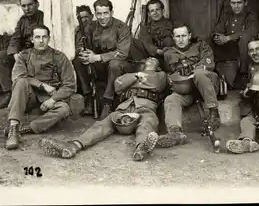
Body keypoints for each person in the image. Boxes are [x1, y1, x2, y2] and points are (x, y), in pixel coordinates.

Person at [39, 57, 167, 162]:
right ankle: (74, 146)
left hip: (145, 108)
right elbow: (118, 85)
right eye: (148, 59)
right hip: (123, 108)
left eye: (154, 59)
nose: (150, 59)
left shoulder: (161, 75)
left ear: (158, 66)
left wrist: (137, 79)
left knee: (147, 123)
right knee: (102, 125)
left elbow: (156, 84)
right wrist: (137, 75)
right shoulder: (132, 75)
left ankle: (141, 148)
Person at [4, 25, 83, 150]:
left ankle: (27, 128)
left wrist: (53, 100)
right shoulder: (24, 56)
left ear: (49, 38)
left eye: (44, 37)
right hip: (28, 96)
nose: (41, 41)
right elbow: (18, 76)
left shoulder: (59, 57)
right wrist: (42, 85)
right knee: (20, 82)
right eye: (37, 37)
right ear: (32, 39)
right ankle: (13, 129)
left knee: (64, 109)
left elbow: (70, 85)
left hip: (50, 97)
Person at [156, 23, 221, 148]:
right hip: (187, 89)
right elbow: (168, 72)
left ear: (189, 36)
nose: (181, 39)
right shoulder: (169, 53)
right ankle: (175, 133)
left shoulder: (201, 46)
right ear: (173, 38)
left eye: (184, 36)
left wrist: (192, 70)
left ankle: (214, 112)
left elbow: (209, 64)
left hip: (207, 86)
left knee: (199, 74)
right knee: (171, 99)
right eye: (178, 36)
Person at [72, 0, 135, 119]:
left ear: (112, 12)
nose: (102, 17)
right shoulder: (91, 27)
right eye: (99, 14)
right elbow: (80, 45)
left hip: (122, 66)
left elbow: (122, 53)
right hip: (100, 66)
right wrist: (84, 53)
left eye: (105, 13)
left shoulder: (122, 27)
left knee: (114, 64)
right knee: (77, 61)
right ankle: (88, 97)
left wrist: (96, 57)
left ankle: (107, 102)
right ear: (95, 14)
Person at [0, 0, 44, 109]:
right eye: (23, 6)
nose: (27, 8)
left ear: (37, 4)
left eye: (30, 5)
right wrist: (15, 53)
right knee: (0, 57)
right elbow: (15, 38)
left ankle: (32, 97)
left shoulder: (44, 17)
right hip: (22, 53)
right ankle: (9, 93)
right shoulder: (22, 21)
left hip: (38, 52)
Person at [211, 0, 259, 89]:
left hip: (242, 52)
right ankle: (210, 70)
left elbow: (251, 31)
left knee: (245, 38)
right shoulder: (226, 15)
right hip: (227, 51)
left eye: (239, 3)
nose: (236, 6)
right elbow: (218, 29)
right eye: (233, 3)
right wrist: (217, 37)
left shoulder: (250, 16)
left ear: (245, 3)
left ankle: (243, 74)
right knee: (208, 39)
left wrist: (229, 37)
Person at [73, 5, 96, 115]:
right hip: (84, 57)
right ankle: (87, 96)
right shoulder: (77, 31)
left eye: (86, 17)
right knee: (77, 61)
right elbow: (77, 46)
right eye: (81, 18)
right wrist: (81, 50)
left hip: (97, 57)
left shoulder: (97, 27)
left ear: (92, 16)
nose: (84, 20)